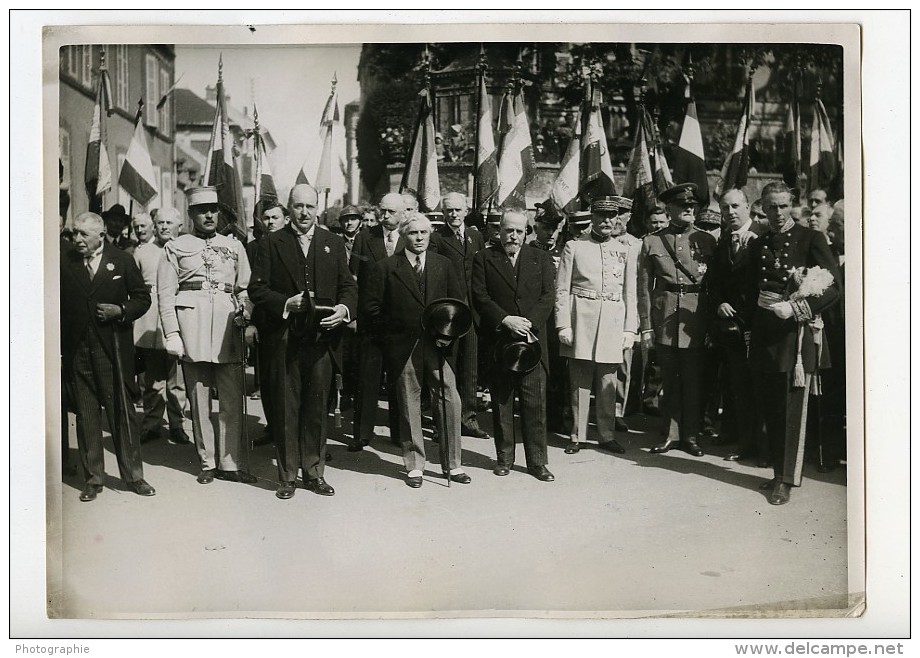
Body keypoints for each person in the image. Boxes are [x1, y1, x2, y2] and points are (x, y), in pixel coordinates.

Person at [248, 184, 357, 500]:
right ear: (289, 208)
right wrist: (286, 303)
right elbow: (257, 289)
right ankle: (287, 477)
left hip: (321, 339)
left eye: (310, 207)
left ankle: (314, 473)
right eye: (298, 207)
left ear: (317, 209)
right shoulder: (271, 243)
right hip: (285, 340)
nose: (304, 213)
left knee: (316, 408)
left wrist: (344, 309)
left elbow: (348, 287)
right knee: (286, 407)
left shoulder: (332, 243)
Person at [746, 181, 839, 505]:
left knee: (791, 410)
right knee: (772, 407)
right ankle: (776, 473)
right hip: (766, 335)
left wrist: (799, 308)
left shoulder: (811, 238)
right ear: (763, 206)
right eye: (771, 206)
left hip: (796, 338)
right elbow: (749, 288)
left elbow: (832, 287)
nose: (778, 212)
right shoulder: (759, 244)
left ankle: (787, 478)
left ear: (793, 206)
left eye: (784, 206)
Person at [362, 212, 470, 488]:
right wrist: (394, 333)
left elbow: (457, 304)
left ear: (430, 234)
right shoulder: (386, 268)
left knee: (449, 398)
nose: (419, 238)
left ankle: (453, 463)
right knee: (410, 403)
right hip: (403, 346)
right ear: (402, 235)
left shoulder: (444, 265)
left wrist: (448, 336)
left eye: (424, 233)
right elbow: (372, 310)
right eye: (413, 233)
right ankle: (414, 466)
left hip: (438, 344)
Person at [158, 187, 256, 486]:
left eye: (213, 209)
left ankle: (230, 462)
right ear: (190, 215)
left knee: (230, 400)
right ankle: (207, 461)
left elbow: (244, 287)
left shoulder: (234, 246)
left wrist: (246, 314)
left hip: (227, 326)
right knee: (198, 400)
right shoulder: (175, 247)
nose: (210, 215)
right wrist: (172, 332)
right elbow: (165, 293)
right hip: (192, 328)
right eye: (202, 210)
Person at [60, 211, 155, 501]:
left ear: (100, 236)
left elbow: (142, 298)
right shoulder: (66, 262)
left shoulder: (122, 260)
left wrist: (121, 311)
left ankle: (134, 476)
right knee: (87, 415)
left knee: (121, 413)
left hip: (111, 349)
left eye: (83, 235)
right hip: (78, 351)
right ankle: (94, 478)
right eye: (75, 233)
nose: (77, 239)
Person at [471, 210, 556, 481]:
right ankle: (504, 458)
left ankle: (538, 462)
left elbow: (548, 296)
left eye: (519, 231)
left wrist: (527, 324)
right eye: (509, 230)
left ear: (526, 232)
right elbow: (480, 296)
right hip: (500, 343)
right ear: (500, 230)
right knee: (502, 402)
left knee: (535, 404)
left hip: (531, 342)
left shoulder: (540, 258)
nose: (514, 236)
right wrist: (506, 320)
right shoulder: (484, 258)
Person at [638, 182, 716, 457]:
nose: (689, 209)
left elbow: (714, 286)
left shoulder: (707, 240)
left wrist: (710, 326)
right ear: (668, 209)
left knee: (694, 380)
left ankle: (691, 435)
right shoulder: (652, 241)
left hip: (695, 318)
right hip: (665, 317)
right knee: (669, 379)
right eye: (683, 206)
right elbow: (645, 288)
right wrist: (646, 326)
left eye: (692, 206)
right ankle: (670, 434)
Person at [555, 197, 638, 455]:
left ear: (618, 218)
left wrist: (629, 329)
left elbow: (630, 292)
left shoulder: (625, 250)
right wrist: (563, 325)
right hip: (582, 318)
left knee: (607, 381)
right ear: (592, 217)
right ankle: (577, 435)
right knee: (580, 379)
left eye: (612, 216)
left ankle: (606, 434)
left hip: (613, 320)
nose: (607, 221)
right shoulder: (574, 247)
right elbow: (562, 290)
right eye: (601, 216)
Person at [708, 189, 769, 466]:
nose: (730, 212)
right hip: (731, 327)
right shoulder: (724, 241)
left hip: (758, 324)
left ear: (746, 206)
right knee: (736, 384)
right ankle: (740, 439)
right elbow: (716, 281)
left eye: (735, 206)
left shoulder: (762, 237)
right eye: (725, 208)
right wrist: (719, 302)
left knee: (758, 387)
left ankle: (761, 446)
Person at [429, 192, 490, 440]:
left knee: (470, 368)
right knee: (447, 368)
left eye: (457, 210)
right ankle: (442, 423)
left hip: (473, 313)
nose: (453, 214)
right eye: (448, 211)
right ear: (443, 213)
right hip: (450, 314)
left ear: (466, 211)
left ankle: (469, 419)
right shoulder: (437, 238)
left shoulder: (475, 236)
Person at [347, 192, 406, 450]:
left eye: (391, 212)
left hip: (401, 324)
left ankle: (399, 433)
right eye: (382, 211)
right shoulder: (364, 238)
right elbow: (354, 279)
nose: (385, 216)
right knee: (367, 378)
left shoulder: (410, 239)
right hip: (371, 321)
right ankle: (361, 434)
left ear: (402, 213)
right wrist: (356, 316)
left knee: (398, 380)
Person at [133, 207, 189, 446]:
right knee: (152, 378)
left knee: (177, 378)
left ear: (180, 226)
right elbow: (134, 286)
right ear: (154, 226)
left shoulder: (187, 249)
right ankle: (151, 423)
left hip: (177, 316)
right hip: (150, 318)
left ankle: (178, 425)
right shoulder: (143, 252)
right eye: (160, 222)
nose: (165, 226)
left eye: (169, 223)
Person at [246, 200, 289, 447]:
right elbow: (247, 287)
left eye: (275, 217)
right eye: (267, 218)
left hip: (290, 320)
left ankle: (294, 435)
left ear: (286, 219)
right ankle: (273, 427)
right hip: (264, 320)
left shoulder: (293, 245)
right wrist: (251, 322)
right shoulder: (253, 248)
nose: (271, 222)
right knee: (267, 379)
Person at [530, 204, 570, 433]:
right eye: (546, 227)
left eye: (554, 228)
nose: (550, 232)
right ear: (536, 226)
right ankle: (534, 417)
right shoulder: (528, 251)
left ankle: (555, 418)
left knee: (557, 368)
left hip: (556, 318)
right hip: (536, 318)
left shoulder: (565, 252)